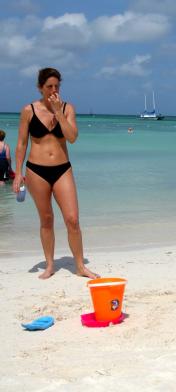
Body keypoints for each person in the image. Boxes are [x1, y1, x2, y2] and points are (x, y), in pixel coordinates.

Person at [13, 67, 99, 280]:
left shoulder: (68, 108)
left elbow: (72, 137)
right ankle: (50, 265)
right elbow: (22, 143)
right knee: (47, 219)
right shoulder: (28, 110)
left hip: (62, 169)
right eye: (49, 86)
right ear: (40, 88)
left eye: (57, 86)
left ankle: (80, 265)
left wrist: (59, 113)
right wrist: (17, 173)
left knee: (72, 219)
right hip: (36, 170)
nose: (53, 90)